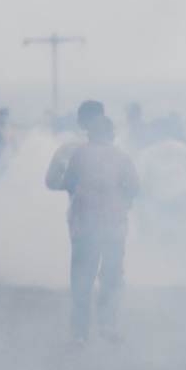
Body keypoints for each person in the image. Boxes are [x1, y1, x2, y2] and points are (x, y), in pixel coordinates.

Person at [61, 116, 139, 343]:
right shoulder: (122, 157)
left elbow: (67, 182)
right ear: (111, 134)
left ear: (90, 134)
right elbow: (135, 186)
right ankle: (107, 325)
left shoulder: (79, 154)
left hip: (85, 224)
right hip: (114, 224)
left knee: (81, 279)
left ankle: (79, 334)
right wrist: (123, 200)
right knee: (111, 277)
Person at [46, 100, 105, 192]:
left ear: (79, 122)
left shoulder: (67, 149)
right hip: (107, 205)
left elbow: (51, 181)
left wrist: (69, 184)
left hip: (79, 203)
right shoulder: (113, 150)